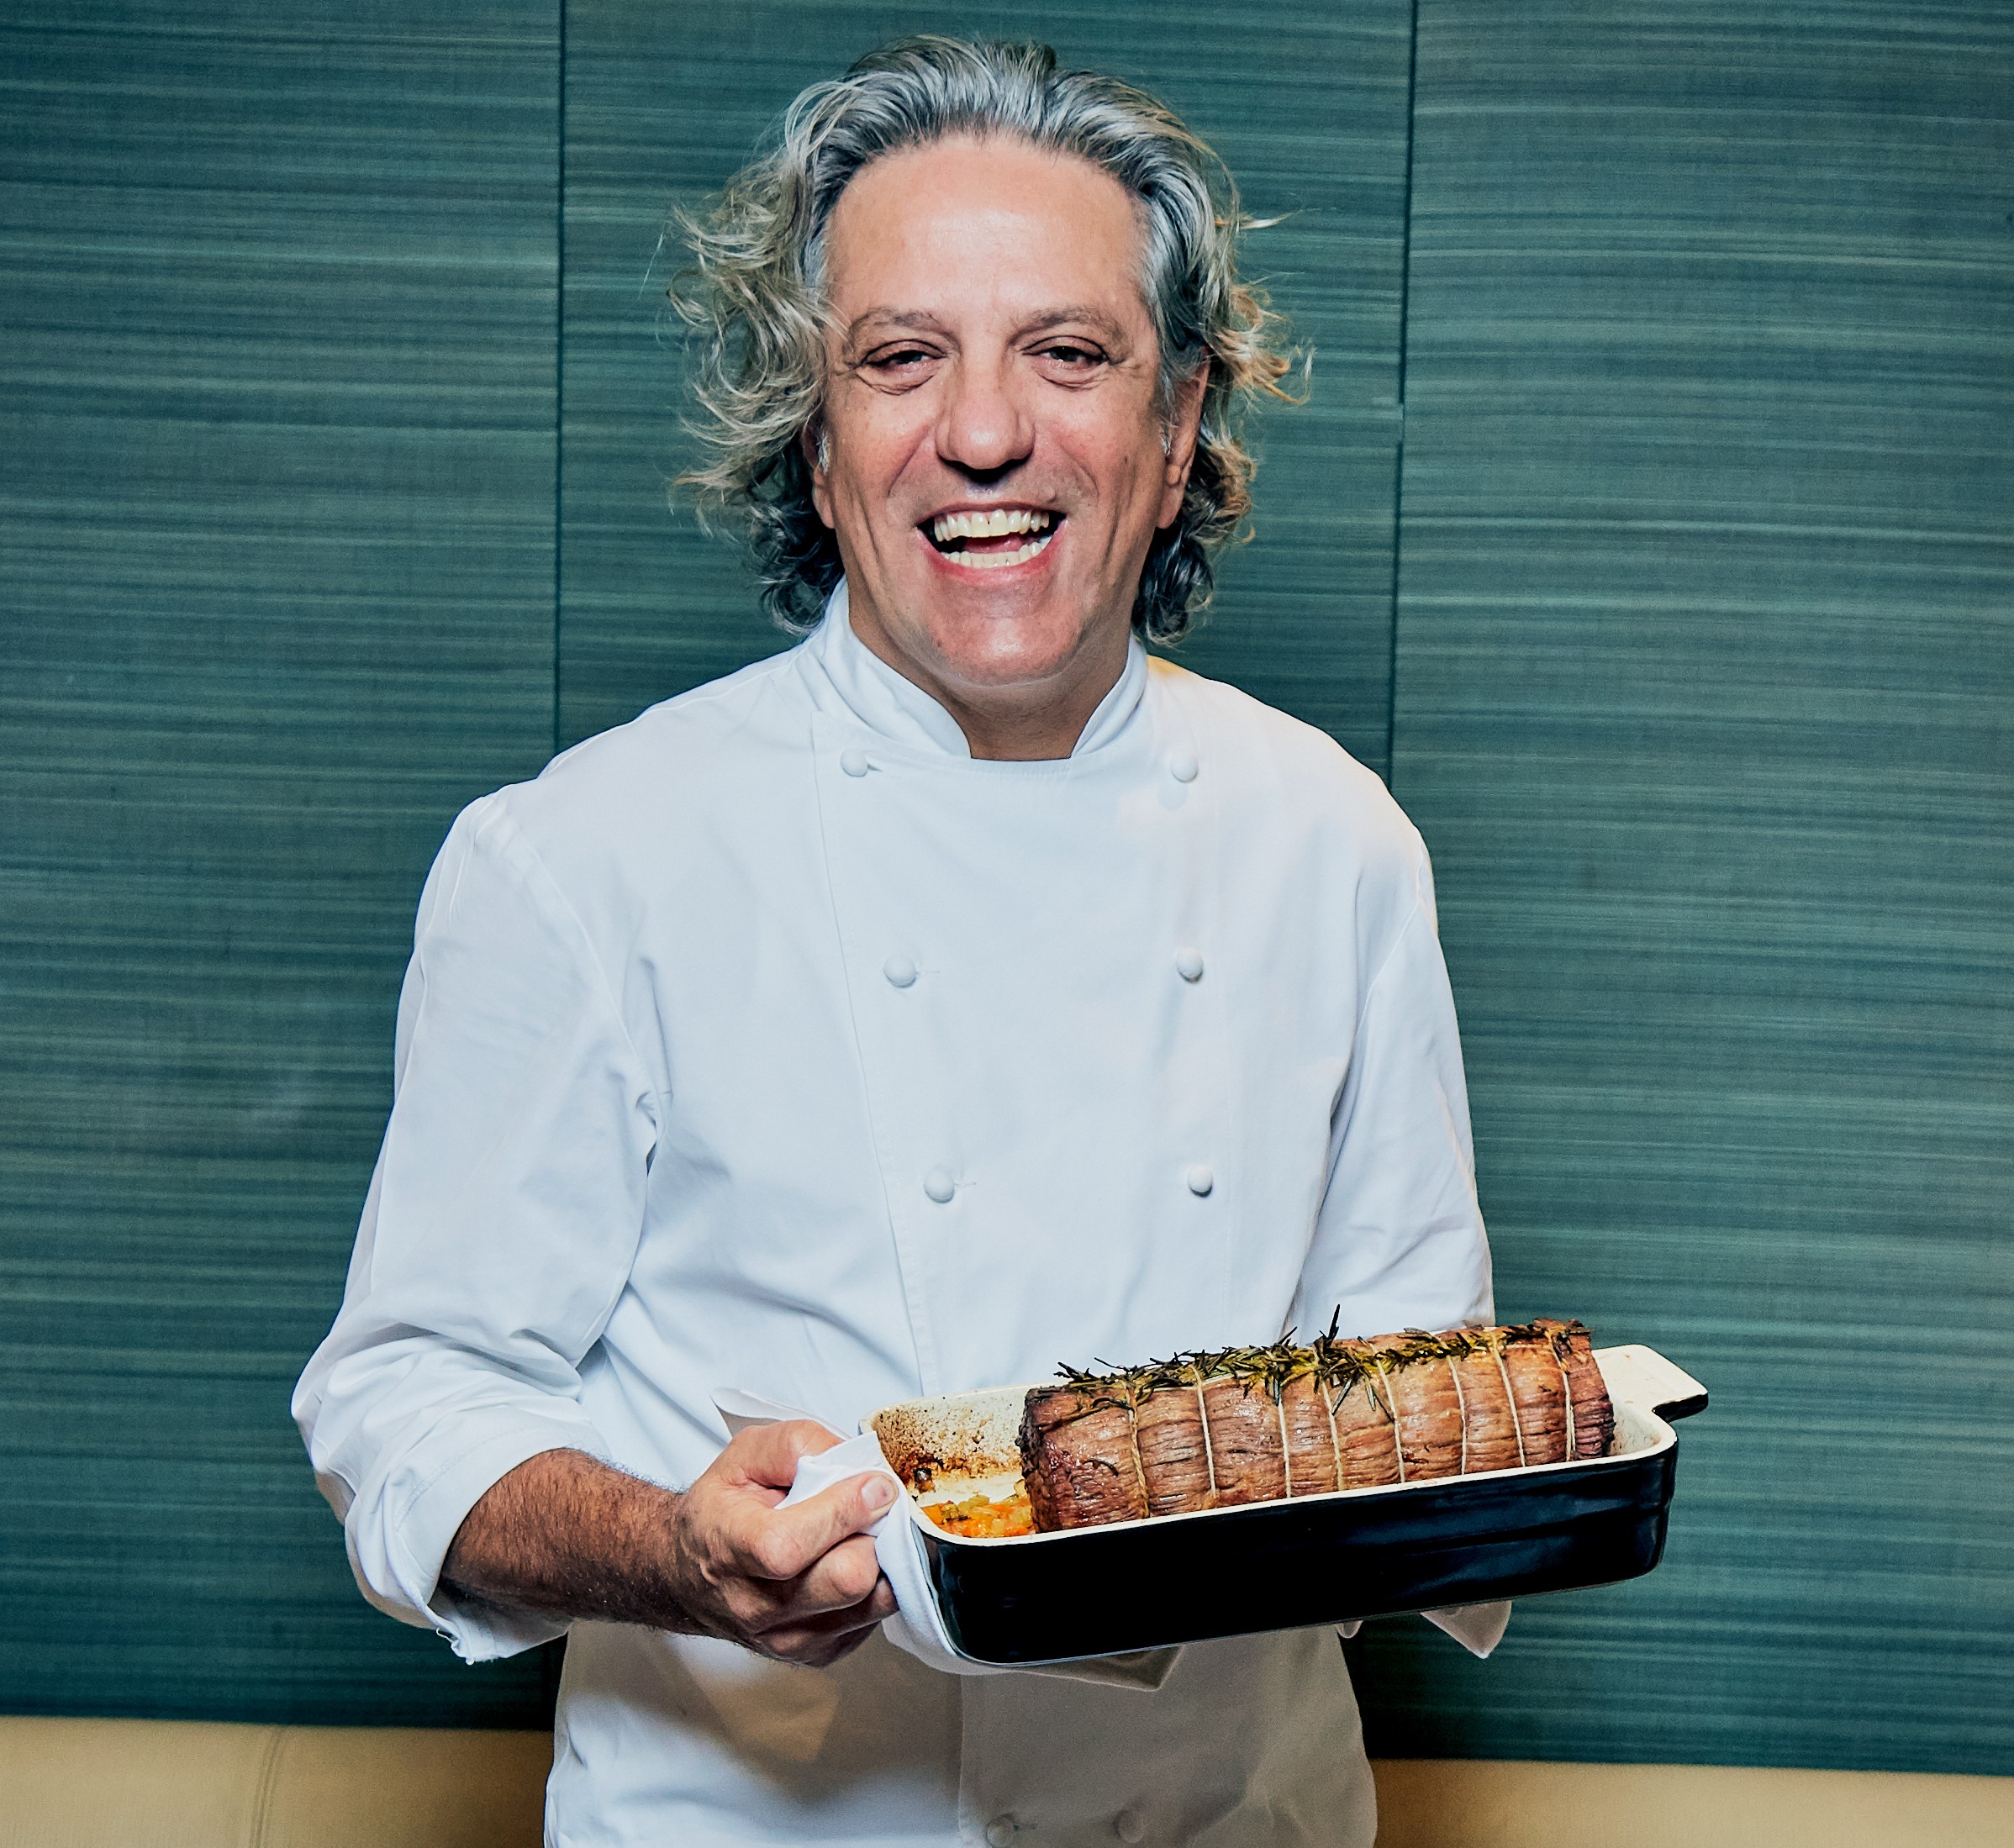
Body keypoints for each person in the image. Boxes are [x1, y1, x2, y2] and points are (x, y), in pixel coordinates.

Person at [294, 35, 1493, 1848]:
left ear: (1176, 435)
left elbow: (1418, 1378)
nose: (985, 431)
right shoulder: (582, 854)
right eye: (899, 356)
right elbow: (399, 1402)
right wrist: (672, 1548)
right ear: (817, 429)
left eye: (1068, 354)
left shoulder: (1334, 843)